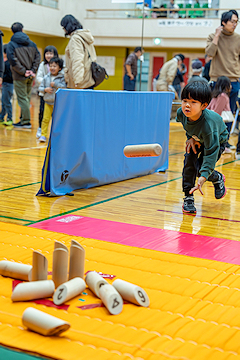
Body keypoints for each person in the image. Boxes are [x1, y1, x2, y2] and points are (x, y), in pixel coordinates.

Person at [176, 80, 228, 213]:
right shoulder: (181, 114)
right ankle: (188, 197)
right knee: (189, 164)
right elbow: (189, 127)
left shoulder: (208, 126)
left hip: (216, 141)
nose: (187, 105)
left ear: (204, 105)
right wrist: (191, 138)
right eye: (185, 100)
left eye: (193, 102)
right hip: (197, 139)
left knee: (201, 170)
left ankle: (217, 177)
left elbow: (211, 152)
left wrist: (204, 177)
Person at [205, 10, 240, 142]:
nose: (235, 24)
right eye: (232, 21)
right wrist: (217, 36)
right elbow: (210, 53)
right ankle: (212, 139)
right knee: (214, 112)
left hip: (233, 80)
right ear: (224, 22)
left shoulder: (238, 38)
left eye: (237, 22)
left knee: (229, 113)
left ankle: (225, 142)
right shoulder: (213, 36)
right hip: (216, 81)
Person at [7, 22, 40, 129]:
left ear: (12, 31)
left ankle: (26, 122)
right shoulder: (32, 44)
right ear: (22, 30)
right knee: (26, 98)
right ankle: (23, 119)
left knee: (22, 99)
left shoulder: (11, 44)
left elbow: (12, 60)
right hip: (30, 75)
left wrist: (23, 71)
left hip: (19, 76)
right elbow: (37, 57)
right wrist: (32, 70)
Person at [60, 14, 97, 89]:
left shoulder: (75, 39)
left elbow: (77, 59)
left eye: (63, 27)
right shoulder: (84, 37)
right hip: (88, 79)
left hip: (81, 83)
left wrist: (77, 80)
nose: (63, 30)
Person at [38, 57, 66, 143]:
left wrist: (55, 84)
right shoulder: (46, 77)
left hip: (58, 103)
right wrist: (45, 89)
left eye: (55, 66)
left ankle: (55, 136)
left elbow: (64, 87)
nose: (52, 68)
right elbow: (40, 87)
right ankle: (43, 135)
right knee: (45, 119)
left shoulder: (62, 78)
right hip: (47, 102)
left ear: (60, 68)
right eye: (51, 66)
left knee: (57, 121)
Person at [35, 45, 58, 139]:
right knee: (42, 112)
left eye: (51, 53)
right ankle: (40, 129)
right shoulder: (42, 65)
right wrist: (46, 86)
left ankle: (55, 131)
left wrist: (54, 85)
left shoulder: (60, 65)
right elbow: (38, 78)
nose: (48, 55)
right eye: (47, 53)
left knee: (56, 114)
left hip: (56, 94)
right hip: (44, 93)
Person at [207, 76, 233, 154]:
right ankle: (221, 148)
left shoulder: (215, 94)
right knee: (221, 133)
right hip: (221, 118)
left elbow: (209, 107)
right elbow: (218, 110)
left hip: (214, 117)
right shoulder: (223, 96)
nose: (231, 86)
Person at [0, 45, 13, 125]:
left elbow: (8, 76)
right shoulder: (7, 63)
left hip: (8, 85)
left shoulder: (8, 64)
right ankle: (1, 116)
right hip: (6, 85)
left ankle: (10, 118)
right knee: (4, 101)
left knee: (6, 102)